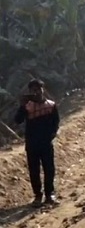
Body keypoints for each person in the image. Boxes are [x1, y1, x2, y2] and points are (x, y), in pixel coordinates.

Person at [14, 79, 60, 207]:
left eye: (38, 89)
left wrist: (52, 134)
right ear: (30, 92)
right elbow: (17, 120)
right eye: (33, 90)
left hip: (46, 143)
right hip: (32, 144)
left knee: (49, 169)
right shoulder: (27, 106)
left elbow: (56, 122)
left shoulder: (51, 105)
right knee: (34, 171)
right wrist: (22, 105)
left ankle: (49, 194)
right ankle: (38, 196)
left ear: (42, 90)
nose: (37, 92)